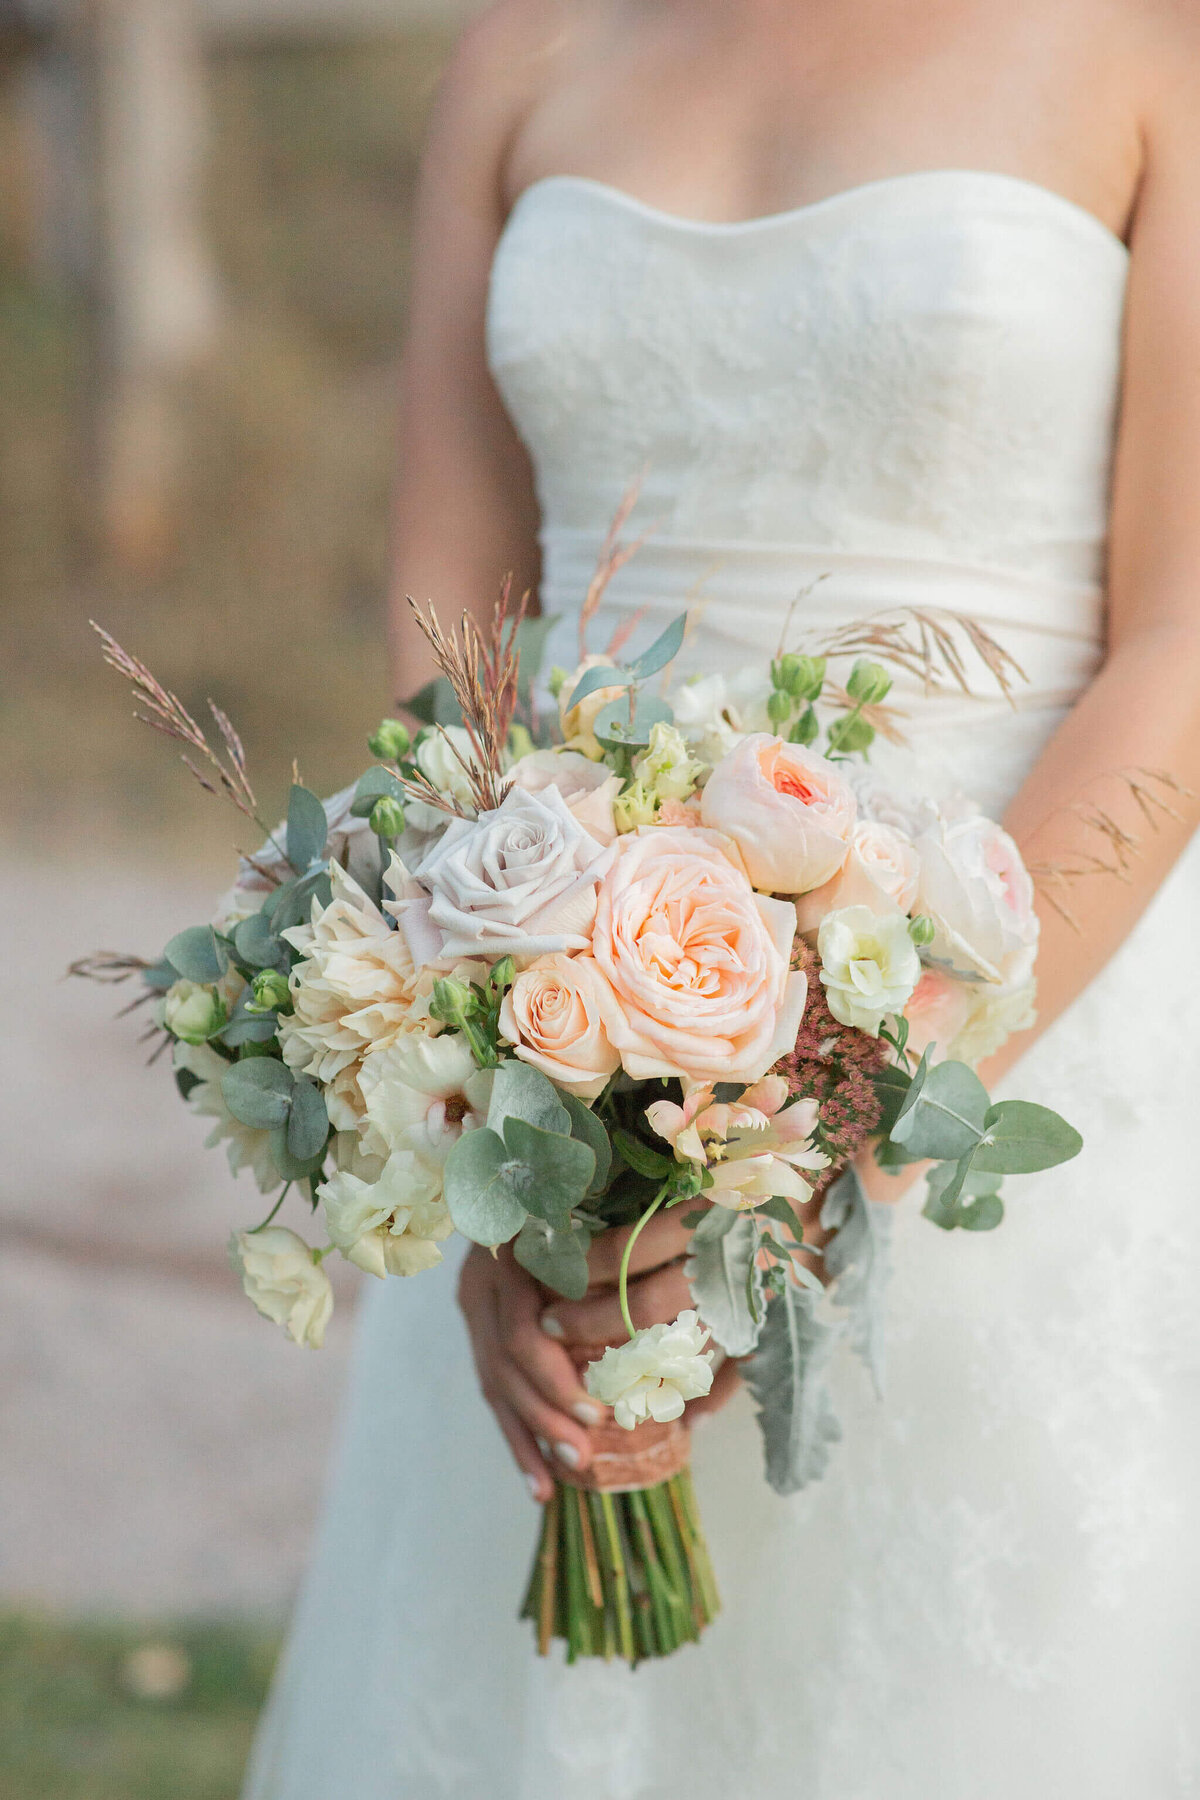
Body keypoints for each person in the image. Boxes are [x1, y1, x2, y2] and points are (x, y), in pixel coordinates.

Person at [243, 2, 1200, 1793]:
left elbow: (1183, 637)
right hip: (566, 1033)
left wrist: (855, 1111)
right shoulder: (524, 52)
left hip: (1023, 1027)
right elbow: (451, 622)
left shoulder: (1154, 48)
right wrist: (496, 1139)